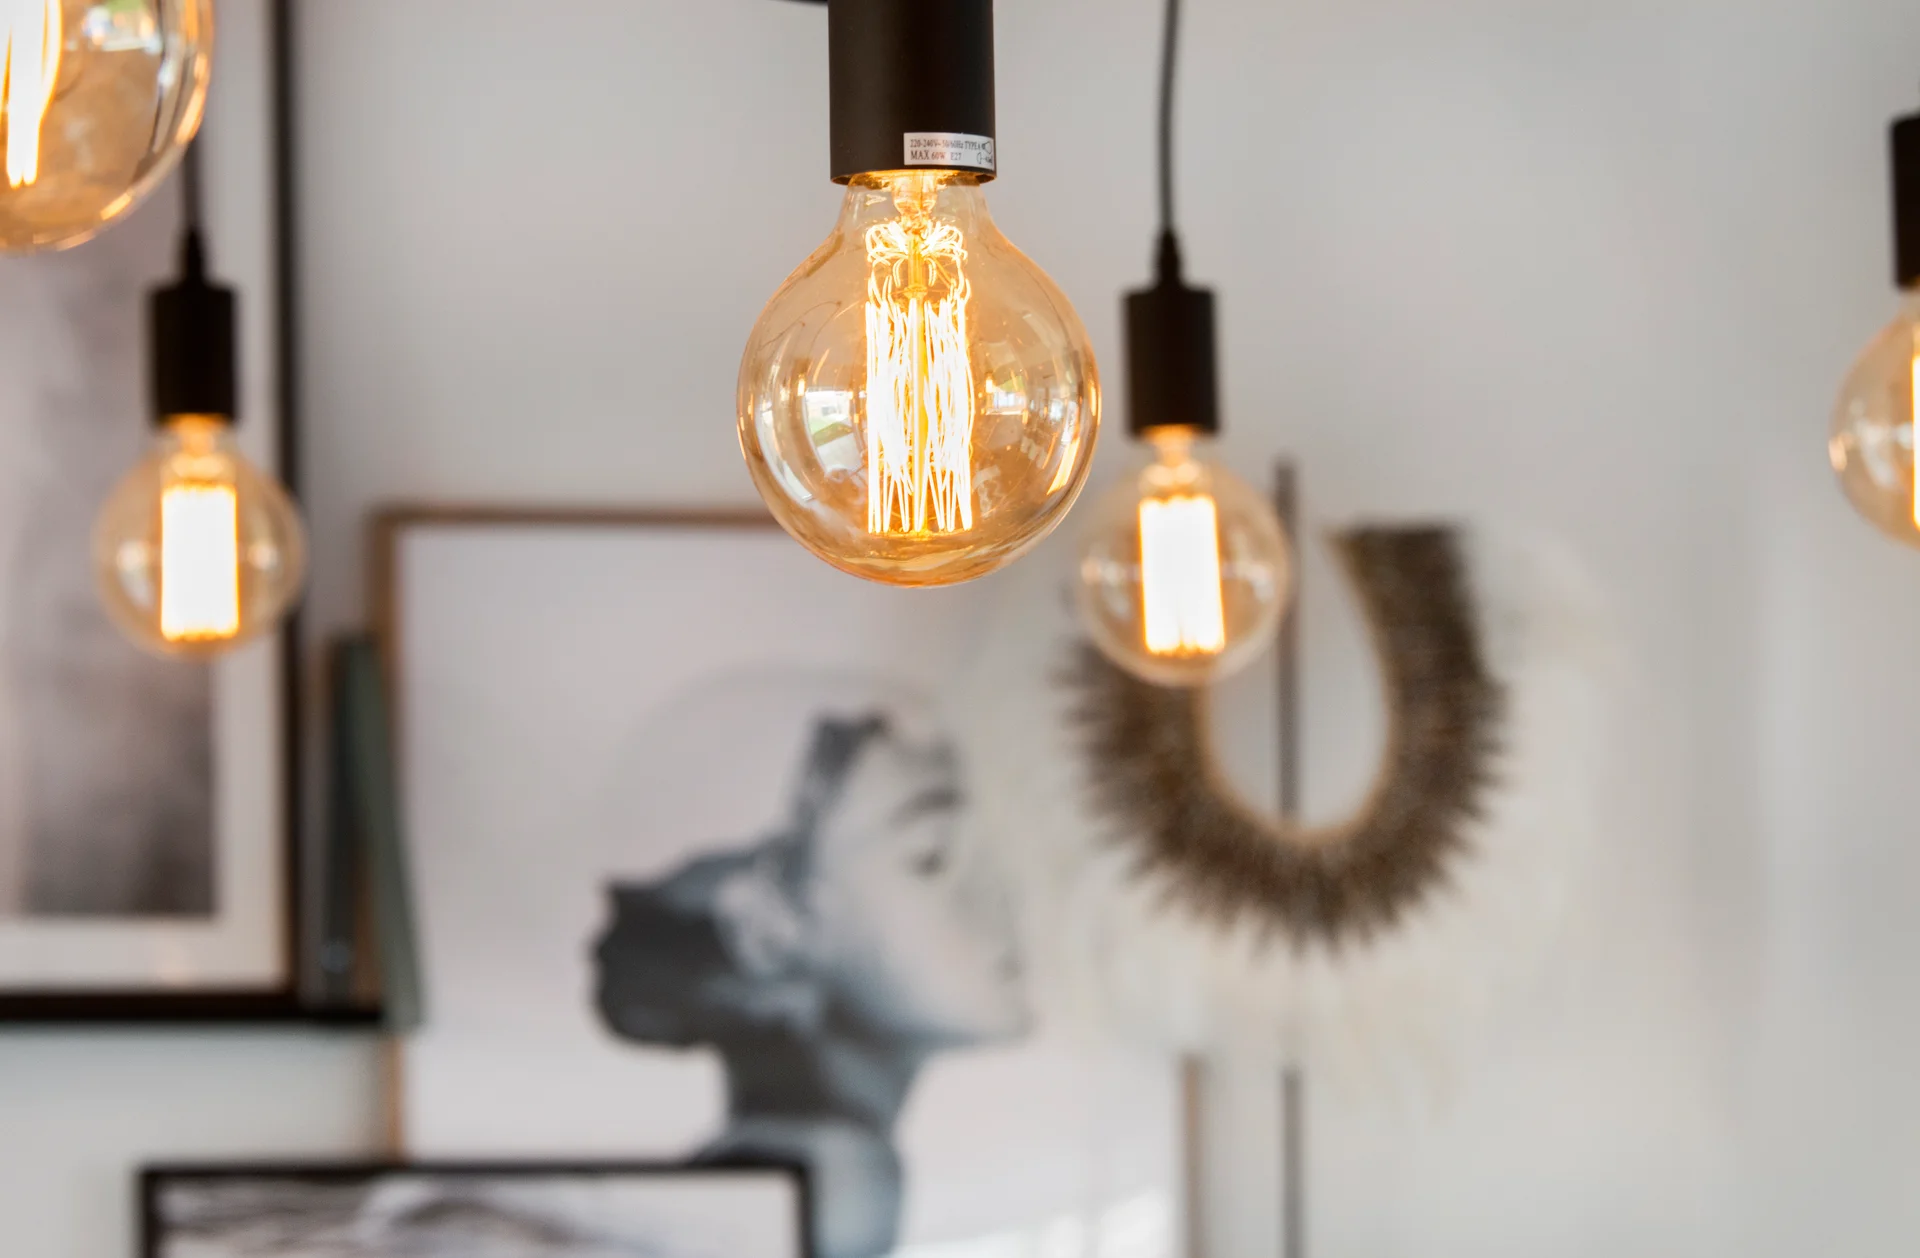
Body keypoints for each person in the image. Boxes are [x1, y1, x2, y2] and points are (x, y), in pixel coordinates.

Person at [594, 710, 1031, 1258]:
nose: (1004, 895)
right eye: (932, 856)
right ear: (769, 930)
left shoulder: (825, 1170)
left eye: (991, 846)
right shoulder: (834, 1179)